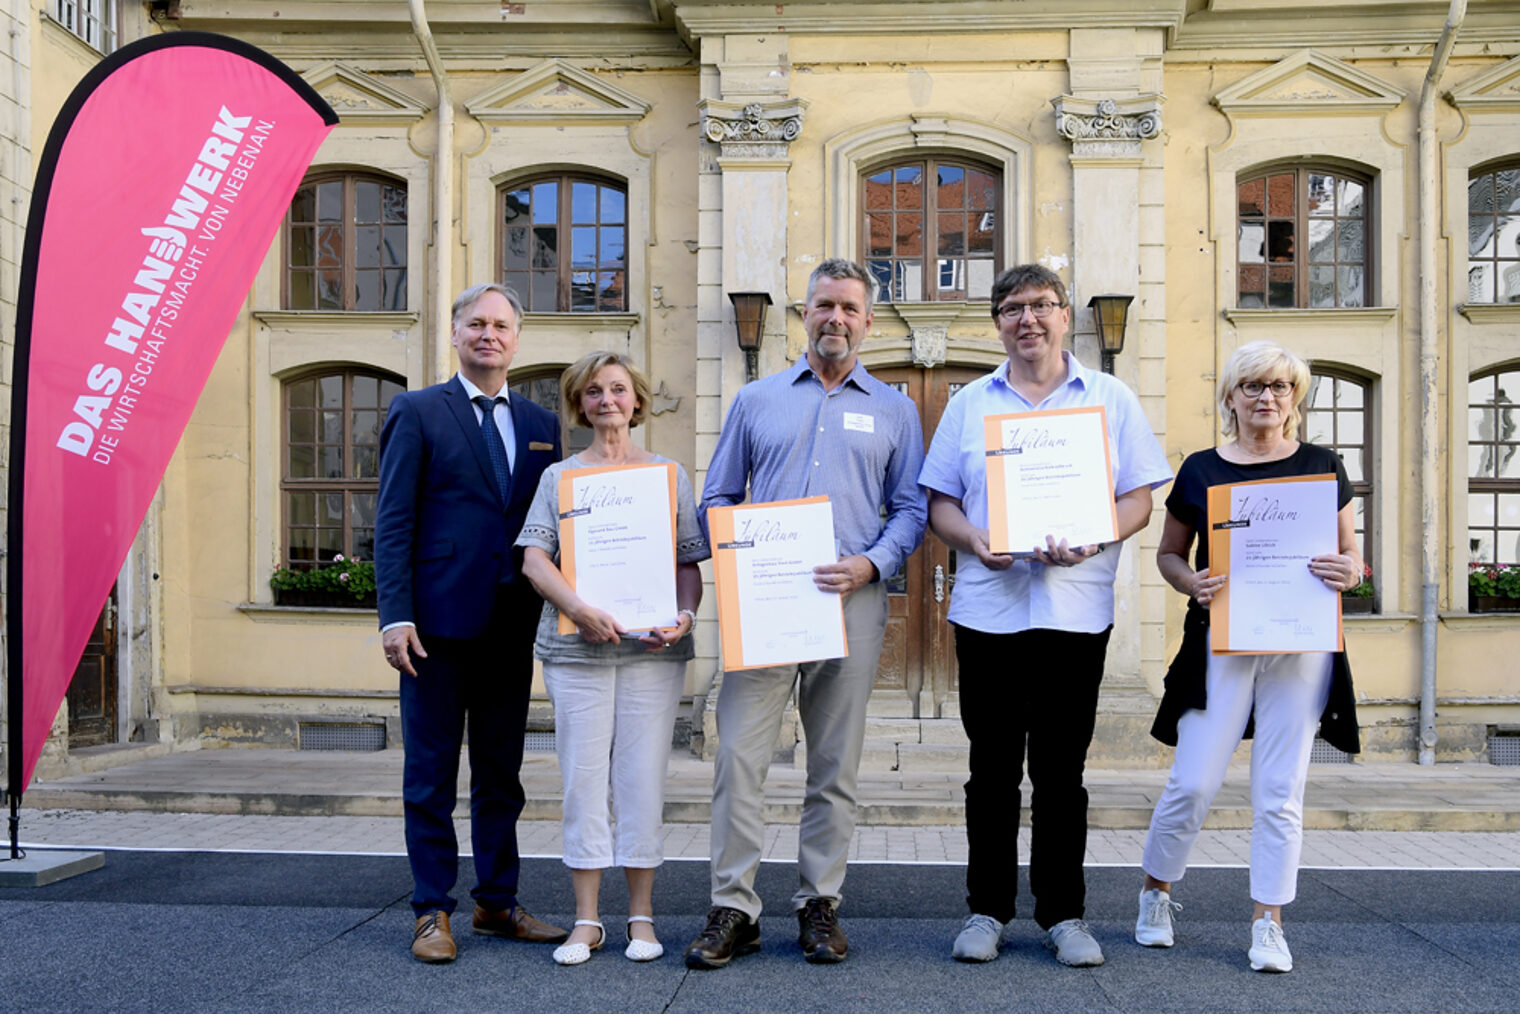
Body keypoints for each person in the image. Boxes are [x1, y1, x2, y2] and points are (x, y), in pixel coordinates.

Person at [918, 263, 1172, 967]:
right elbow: (940, 502)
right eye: (1011, 308)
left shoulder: (1110, 398)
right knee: (991, 771)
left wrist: (1095, 536)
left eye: (1041, 305)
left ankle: (1065, 915)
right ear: (996, 321)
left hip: (1073, 614)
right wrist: (974, 540)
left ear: (1065, 316)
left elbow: (1139, 498)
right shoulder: (971, 403)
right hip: (988, 612)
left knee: (1062, 773)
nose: (1027, 319)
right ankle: (986, 911)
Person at [683, 258, 927, 969]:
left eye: (850, 309)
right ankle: (733, 907)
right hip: (765, 601)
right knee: (739, 757)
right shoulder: (757, 399)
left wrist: (873, 563)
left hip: (852, 600)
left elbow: (911, 508)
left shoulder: (894, 408)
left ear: (868, 323)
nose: (836, 319)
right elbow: (719, 495)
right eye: (825, 305)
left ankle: (819, 904)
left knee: (834, 764)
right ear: (805, 314)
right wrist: (739, 552)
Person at [1137, 340, 1362, 973]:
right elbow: (1169, 556)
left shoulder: (1323, 465)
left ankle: (1269, 921)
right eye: (1254, 386)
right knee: (1194, 780)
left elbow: (1353, 556)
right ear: (1231, 396)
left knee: (1281, 790)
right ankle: (1156, 892)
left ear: (1295, 399)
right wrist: (1192, 582)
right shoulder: (1202, 469)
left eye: (1280, 387)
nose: (1267, 397)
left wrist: (1350, 570)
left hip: (1301, 645)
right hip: (1223, 640)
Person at [374, 283, 568, 963]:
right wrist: (394, 616)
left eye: (502, 324)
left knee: (500, 774)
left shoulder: (544, 424)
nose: (490, 334)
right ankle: (432, 911)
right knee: (429, 773)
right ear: (455, 332)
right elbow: (393, 521)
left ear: (518, 338)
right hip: (432, 628)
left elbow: (560, 527)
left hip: (512, 625)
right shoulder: (419, 410)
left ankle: (496, 902)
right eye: (476, 323)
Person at [517, 352, 709, 966]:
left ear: (637, 400)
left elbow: (687, 562)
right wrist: (582, 607)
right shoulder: (561, 479)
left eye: (619, 390)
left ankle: (642, 917)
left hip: (653, 655)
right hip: (578, 652)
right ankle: (586, 921)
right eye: (594, 391)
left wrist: (685, 618)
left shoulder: (667, 475)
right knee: (581, 784)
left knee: (641, 783)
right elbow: (533, 560)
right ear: (580, 404)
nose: (607, 400)